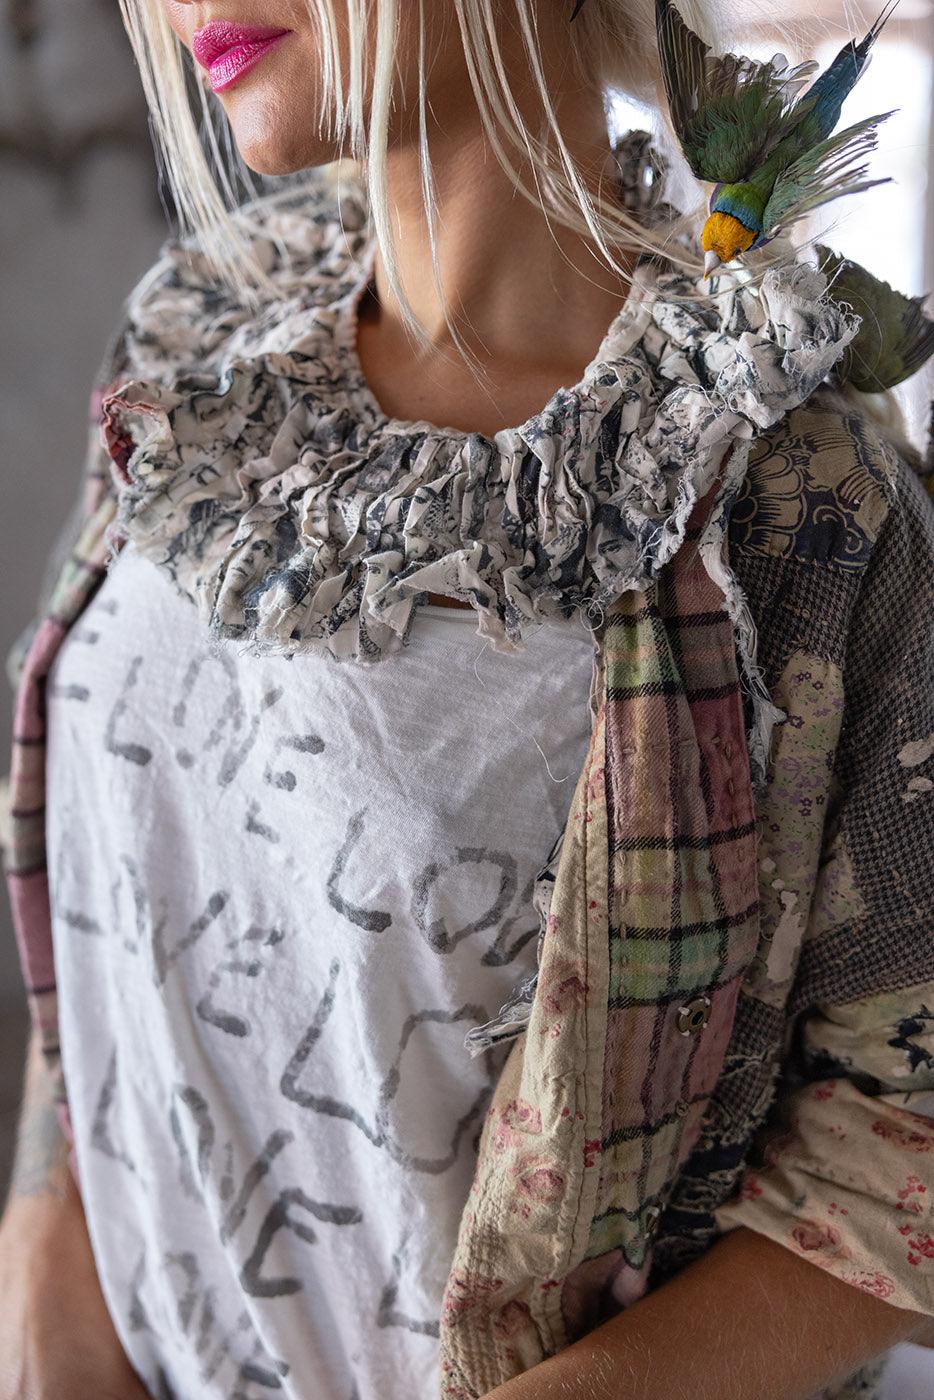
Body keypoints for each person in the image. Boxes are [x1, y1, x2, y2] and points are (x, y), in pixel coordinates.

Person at [1, 2, 933, 1398]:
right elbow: (115, 898)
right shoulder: (204, 354)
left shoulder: (785, 501)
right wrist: (40, 1283)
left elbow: (898, 1147)